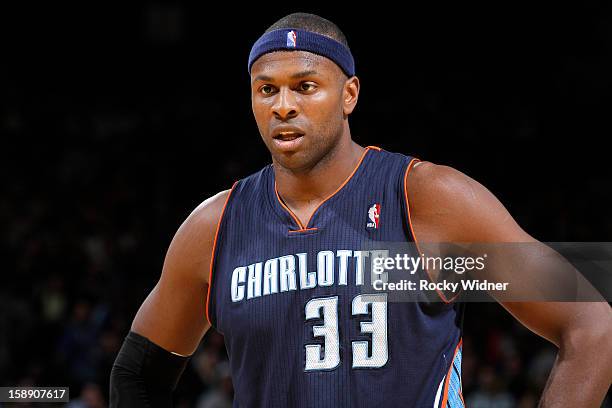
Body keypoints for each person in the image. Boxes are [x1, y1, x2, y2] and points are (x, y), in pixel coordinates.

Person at [110, 12, 612, 407]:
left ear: (349, 94)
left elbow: (592, 324)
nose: (283, 105)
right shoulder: (213, 228)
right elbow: (137, 375)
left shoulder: (428, 199)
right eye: (267, 89)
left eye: (305, 86)